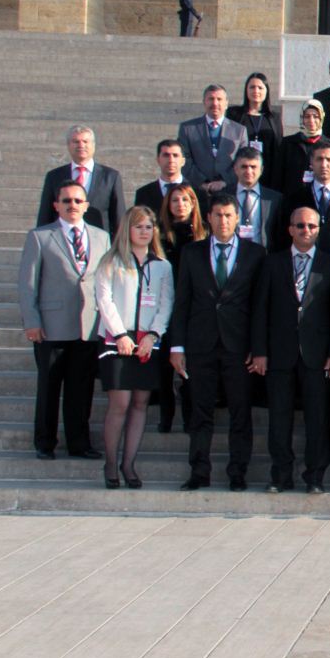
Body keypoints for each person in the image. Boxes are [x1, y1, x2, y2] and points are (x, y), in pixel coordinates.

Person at [169, 194, 266, 491]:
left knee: (240, 412)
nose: (223, 221)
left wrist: (259, 348)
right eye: (217, 215)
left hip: (239, 347)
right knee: (200, 413)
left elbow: (260, 305)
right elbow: (182, 301)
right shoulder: (191, 253)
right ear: (208, 218)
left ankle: (238, 472)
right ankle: (199, 471)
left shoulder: (255, 253)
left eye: (228, 215)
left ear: (237, 218)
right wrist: (177, 346)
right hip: (201, 344)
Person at [249, 206, 330, 494]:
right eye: (300, 226)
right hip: (279, 353)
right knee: (279, 417)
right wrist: (259, 351)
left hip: (317, 354)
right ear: (290, 229)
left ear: (318, 230)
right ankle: (281, 476)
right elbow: (259, 309)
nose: (306, 231)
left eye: (312, 226)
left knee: (317, 417)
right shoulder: (272, 263)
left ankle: (315, 476)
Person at [20, 181, 111, 461]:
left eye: (77, 201)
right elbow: (28, 284)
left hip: (88, 326)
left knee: (80, 389)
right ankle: (45, 443)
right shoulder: (40, 236)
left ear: (86, 206)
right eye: (67, 200)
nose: (72, 205)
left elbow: (105, 282)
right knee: (49, 388)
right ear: (56, 205)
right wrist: (32, 321)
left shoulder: (101, 237)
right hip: (51, 327)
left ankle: (79, 443)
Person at [92, 207, 171, 489]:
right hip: (118, 342)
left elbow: (166, 303)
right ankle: (111, 462)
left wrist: (153, 335)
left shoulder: (162, 265)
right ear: (127, 230)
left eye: (149, 227)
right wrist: (120, 334)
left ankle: (129, 464)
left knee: (140, 403)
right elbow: (105, 300)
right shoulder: (111, 262)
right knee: (120, 403)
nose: (144, 232)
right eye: (138, 227)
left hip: (147, 344)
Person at [154, 184, 206, 432]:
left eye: (185, 200)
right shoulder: (159, 236)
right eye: (175, 200)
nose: (180, 205)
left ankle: (189, 418)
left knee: (190, 368)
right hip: (165, 304)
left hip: (194, 308)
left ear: (193, 203)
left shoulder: (203, 234)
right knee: (165, 366)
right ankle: (166, 417)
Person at [38, 125, 126, 235]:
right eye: (76, 141)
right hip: (62, 243)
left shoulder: (110, 177)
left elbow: (119, 217)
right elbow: (45, 215)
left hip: (99, 243)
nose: (81, 145)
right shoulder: (54, 176)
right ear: (68, 145)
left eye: (85, 141)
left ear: (93, 145)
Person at [178, 85, 248, 196]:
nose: (215, 103)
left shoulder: (239, 131)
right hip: (197, 192)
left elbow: (243, 161)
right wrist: (202, 182)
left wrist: (224, 181)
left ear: (226, 103)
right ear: (204, 102)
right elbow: (184, 159)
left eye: (219, 99)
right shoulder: (187, 128)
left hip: (228, 192)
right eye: (211, 99)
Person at [226, 72, 283, 177]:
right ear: (246, 90)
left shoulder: (274, 117)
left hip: (267, 174)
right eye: (252, 87)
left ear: (266, 91)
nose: (256, 91)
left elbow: (278, 148)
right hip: (241, 172)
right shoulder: (235, 114)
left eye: (260, 88)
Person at [272, 101, 330, 193]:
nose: (311, 120)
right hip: (293, 200)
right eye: (307, 116)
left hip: (320, 200)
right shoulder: (288, 143)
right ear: (301, 118)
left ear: (321, 119)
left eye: (316, 117)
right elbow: (277, 177)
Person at [229, 148, 279, 252]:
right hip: (232, 255)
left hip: (263, 256)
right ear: (235, 169)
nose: (249, 171)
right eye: (244, 167)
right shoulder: (224, 195)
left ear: (261, 170)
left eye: (253, 167)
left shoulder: (274, 199)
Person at [134, 138, 190, 214]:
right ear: (158, 160)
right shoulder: (143, 194)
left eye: (175, 155)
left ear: (183, 161)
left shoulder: (196, 191)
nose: (171, 160)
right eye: (166, 155)